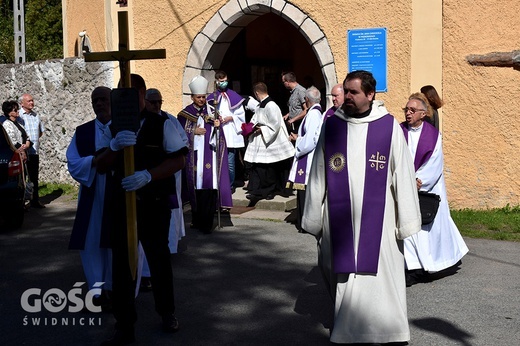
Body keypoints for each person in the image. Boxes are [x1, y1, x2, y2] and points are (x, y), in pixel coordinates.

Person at [301, 70, 422, 344]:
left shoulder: (388, 126)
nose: (347, 97)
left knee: (383, 276)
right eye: (346, 91)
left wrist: (407, 222)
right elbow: (318, 173)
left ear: (370, 95)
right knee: (344, 275)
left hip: (381, 220)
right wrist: (313, 218)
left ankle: (390, 329)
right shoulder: (333, 125)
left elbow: (402, 173)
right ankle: (347, 329)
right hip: (339, 216)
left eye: (354, 92)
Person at [98, 74, 188, 345]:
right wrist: (114, 146)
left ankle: (167, 312)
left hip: (153, 204)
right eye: (121, 95)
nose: (126, 101)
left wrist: (148, 175)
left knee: (158, 261)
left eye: (132, 94)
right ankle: (124, 325)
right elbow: (101, 165)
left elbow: (179, 160)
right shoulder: (112, 127)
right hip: (122, 206)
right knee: (122, 267)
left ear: (143, 94)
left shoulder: (163, 124)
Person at [400, 92, 468, 286]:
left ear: (423, 114)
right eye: (406, 109)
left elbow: (435, 162)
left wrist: (418, 180)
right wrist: (404, 181)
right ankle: (412, 267)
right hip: (404, 188)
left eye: (413, 110)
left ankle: (433, 264)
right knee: (409, 228)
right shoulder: (398, 131)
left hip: (427, 189)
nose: (408, 113)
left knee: (427, 229)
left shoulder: (433, 135)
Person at [66, 86, 114, 309]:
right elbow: (73, 162)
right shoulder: (82, 131)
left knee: (115, 240)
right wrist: (95, 162)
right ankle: (97, 289)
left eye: (103, 99)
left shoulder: (123, 129)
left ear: (112, 101)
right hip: (92, 192)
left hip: (117, 190)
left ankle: (115, 287)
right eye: (95, 100)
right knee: (92, 241)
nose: (99, 104)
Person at [177, 75, 232, 233]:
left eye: (203, 97)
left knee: (209, 190)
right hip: (194, 160)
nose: (201, 99)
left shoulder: (213, 112)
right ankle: (197, 221)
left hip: (209, 156)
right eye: (199, 97)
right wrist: (192, 131)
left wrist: (217, 126)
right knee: (196, 190)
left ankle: (207, 223)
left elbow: (220, 137)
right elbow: (179, 135)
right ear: (192, 97)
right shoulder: (184, 115)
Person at [145, 88, 188, 253]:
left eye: (159, 102)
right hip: (150, 173)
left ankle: (171, 244)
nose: (157, 106)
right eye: (153, 102)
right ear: (145, 102)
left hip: (169, 171)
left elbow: (183, 141)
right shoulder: (141, 122)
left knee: (171, 207)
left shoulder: (169, 120)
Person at [243, 82, 295, 201]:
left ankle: (269, 191)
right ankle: (258, 191)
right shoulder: (261, 105)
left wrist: (262, 129)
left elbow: (275, 124)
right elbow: (256, 118)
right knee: (259, 166)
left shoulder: (271, 105)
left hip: (272, 141)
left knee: (270, 168)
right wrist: (250, 127)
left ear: (256, 93)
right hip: (261, 140)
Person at [286, 86, 323, 232]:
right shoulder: (314, 113)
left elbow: (311, 140)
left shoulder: (313, 115)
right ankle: (303, 221)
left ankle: (305, 223)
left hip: (308, 158)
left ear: (307, 100)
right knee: (304, 193)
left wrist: (297, 140)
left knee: (305, 193)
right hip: (308, 157)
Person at [207, 70, 246, 193]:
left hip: (230, 130)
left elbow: (241, 114)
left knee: (229, 161)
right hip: (218, 131)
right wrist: (215, 117)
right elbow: (208, 113)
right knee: (217, 160)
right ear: (216, 82)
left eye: (225, 81)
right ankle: (218, 184)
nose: (224, 83)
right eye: (221, 81)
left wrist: (231, 117)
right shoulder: (212, 97)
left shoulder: (234, 95)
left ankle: (229, 185)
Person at [18, 93, 45, 208]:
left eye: (32, 100)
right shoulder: (18, 116)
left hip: (34, 151)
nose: (32, 103)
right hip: (22, 152)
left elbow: (41, 131)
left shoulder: (35, 115)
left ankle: (35, 201)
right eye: (29, 101)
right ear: (22, 103)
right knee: (22, 178)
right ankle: (22, 202)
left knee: (34, 177)